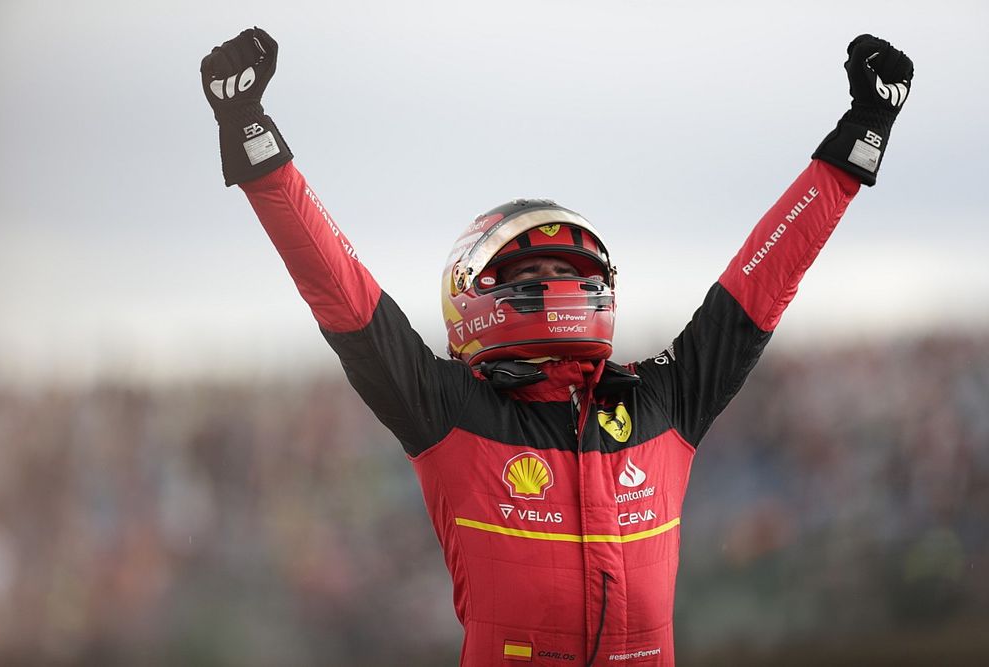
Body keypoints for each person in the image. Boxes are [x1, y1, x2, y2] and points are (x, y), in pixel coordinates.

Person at [200, 28, 913, 667]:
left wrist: (860, 137)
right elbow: (343, 294)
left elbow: (763, 280)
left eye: (572, 274)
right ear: (471, 292)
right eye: (531, 275)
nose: (556, 289)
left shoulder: (663, 401)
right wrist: (258, 145)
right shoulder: (446, 409)